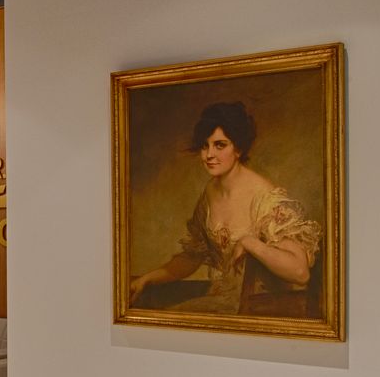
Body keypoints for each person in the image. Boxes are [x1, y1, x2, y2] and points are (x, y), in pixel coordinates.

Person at [127, 100, 323, 317]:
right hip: (227, 302)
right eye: (204, 145)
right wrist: (148, 278)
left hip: (266, 308)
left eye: (220, 145)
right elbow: (193, 256)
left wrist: (249, 242)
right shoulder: (210, 193)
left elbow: (300, 272)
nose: (209, 154)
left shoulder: (266, 200)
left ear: (238, 148)